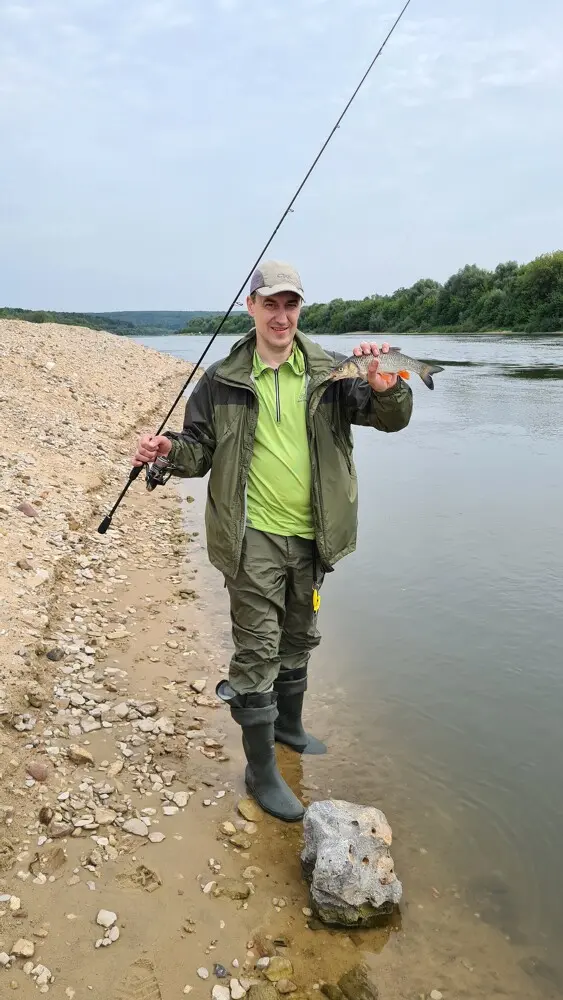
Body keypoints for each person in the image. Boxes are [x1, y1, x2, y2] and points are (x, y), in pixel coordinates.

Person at [133, 260, 413, 822]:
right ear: (252, 306)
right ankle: (260, 770)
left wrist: (386, 391)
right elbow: (199, 449)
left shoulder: (334, 372)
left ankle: (289, 727)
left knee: (299, 636)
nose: (281, 316)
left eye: (291, 305)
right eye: (271, 304)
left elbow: (391, 419)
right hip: (251, 535)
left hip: (312, 535)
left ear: (300, 309)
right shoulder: (221, 380)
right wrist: (168, 453)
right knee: (256, 651)